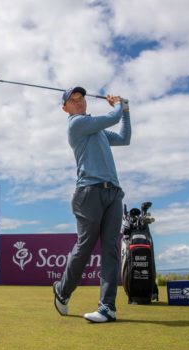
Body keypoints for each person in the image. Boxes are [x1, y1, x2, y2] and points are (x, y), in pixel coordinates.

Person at [53, 86, 131, 323]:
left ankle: (107, 307)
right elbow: (112, 117)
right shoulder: (75, 124)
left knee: (110, 249)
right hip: (88, 192)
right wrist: (119, 106)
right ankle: (63, 291)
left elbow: (125, 138)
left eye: (81, 98)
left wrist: (125, 111)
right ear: (65, 107)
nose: (78, 102)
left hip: (113, 193)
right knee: (85, 246)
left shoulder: (99, 133)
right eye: (73, 100)